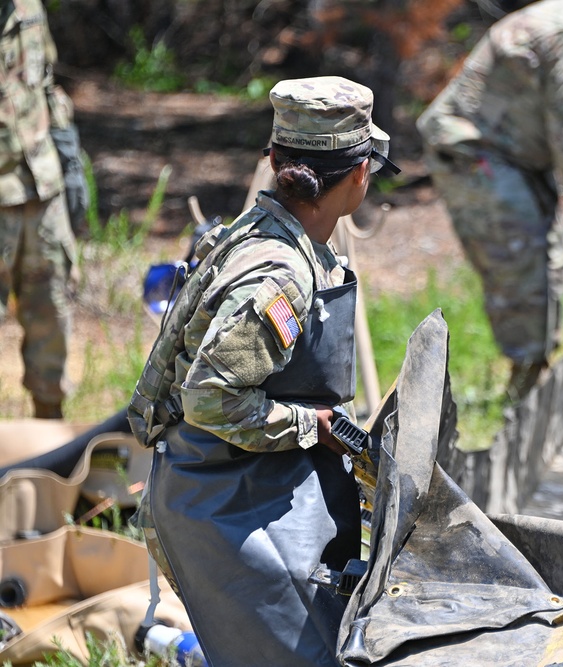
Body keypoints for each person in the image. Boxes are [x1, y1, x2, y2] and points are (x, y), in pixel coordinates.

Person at [127, 76, 399, 667]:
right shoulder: (278, 277)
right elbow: (209, 400)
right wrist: (310, 425)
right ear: (358, 175)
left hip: (246, 486)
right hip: (224, 503)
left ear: (276, 161)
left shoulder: (271, 236)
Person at [416, 0, 563, 400]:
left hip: (516, 158)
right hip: (478, 155)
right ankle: (522, 398)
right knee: (522, 269)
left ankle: (533, 383)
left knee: (549, 260)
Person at [0, 0, 89, 419]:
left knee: (51, 321)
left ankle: (50, 449)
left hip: (41, 189)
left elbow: (46, 84)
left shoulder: (27, 5)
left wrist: (69, 161)